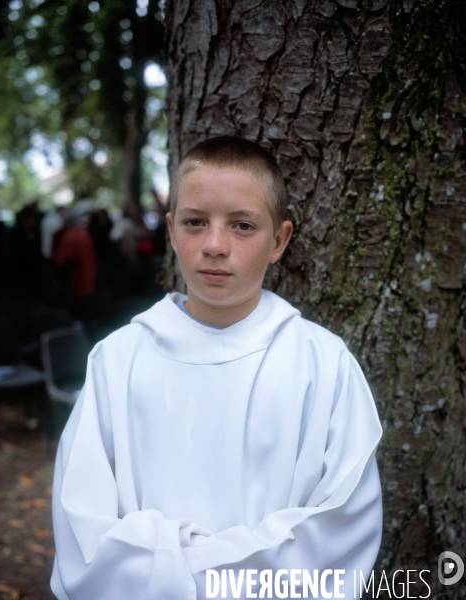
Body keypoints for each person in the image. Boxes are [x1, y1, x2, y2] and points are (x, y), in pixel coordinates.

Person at [51, 137, 383, 600]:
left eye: (243, 225)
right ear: (171, 231)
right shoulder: (117, 362)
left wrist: (175, 569)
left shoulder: (322, 365)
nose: (214, 245)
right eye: (194, 222)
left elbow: (339, 530)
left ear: (279, 240)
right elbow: (81, 526)